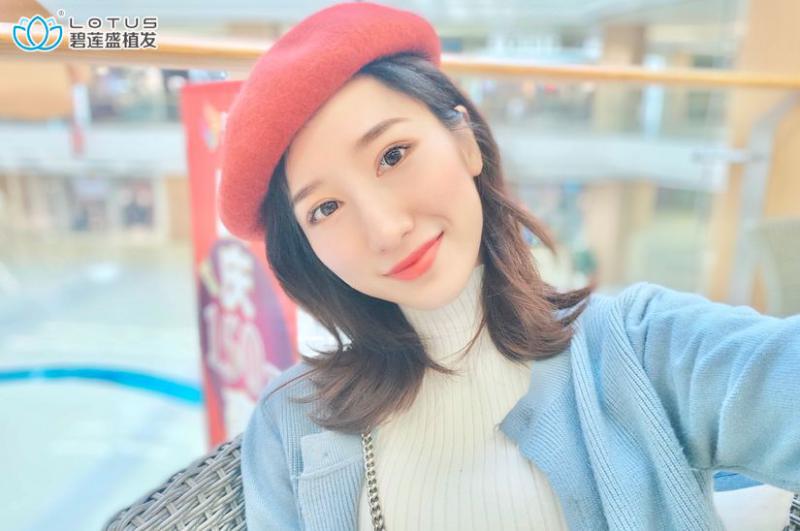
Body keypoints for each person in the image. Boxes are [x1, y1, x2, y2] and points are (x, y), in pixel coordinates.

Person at [217, 3, 800, 530]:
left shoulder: (640, 348)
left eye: (393, 155)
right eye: (325, 208)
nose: (385, 229)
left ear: (465, 143)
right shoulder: (291, 420)